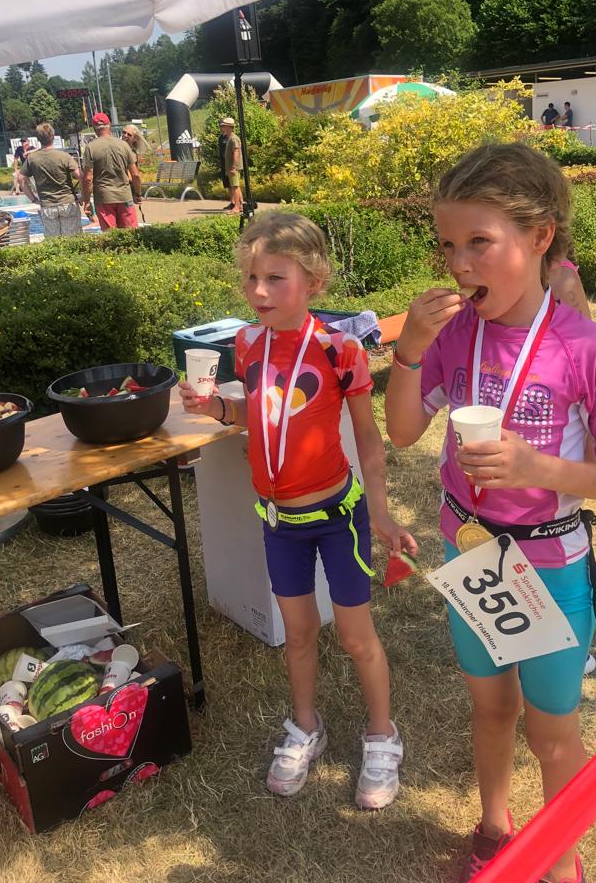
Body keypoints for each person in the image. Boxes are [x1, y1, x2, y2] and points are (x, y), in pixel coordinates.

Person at [384, 143, 596, 883]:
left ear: (539, 237)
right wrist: (408, 351)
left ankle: (561, 862)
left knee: (553, 733)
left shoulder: (590, 349)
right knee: (491, 707)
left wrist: (540, 469)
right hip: (470, 553)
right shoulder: (454, 335)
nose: (459, 264)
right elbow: (401, 432)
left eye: (479, 242)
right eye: (447, 245)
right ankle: (496, 827)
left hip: (550, 566)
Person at [179, 211, 417, 809]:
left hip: (338, 519)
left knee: (357, 638)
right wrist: (216, 410)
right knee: (299, 633)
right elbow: (257, 416)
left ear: (313, 281)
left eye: (274, 278)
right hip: (279, 522)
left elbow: (368, 439)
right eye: (251, 278)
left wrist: (382, 512)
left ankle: (382, 734)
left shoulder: (340, 349)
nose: (258, 291)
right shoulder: (247, 344)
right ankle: (306, 726)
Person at [20, 122, 83, 237]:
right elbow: (81, 176)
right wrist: (83, 196)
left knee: (54, 243)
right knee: (73, 241)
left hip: (47, 206)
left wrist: (34, 199)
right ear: (53, 136)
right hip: (67, 203)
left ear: (38, 139)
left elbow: (21, 179)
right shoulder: (64, 156)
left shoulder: (32, 158)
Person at [81, 113, 140, 230]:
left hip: (104, 198)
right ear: (110, 125)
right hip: (124, 196)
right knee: (131, 235)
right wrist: (138, 194)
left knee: (110, 236)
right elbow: (135, 175)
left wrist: (87, 202)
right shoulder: (124, 145)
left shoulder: (91, 147)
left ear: (94, 128)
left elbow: (88, 179)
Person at [121, 124, 151, 223]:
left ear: (134, 139)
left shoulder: (132, 153)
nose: (125, 135)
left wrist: (136, 193)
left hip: (125, 188)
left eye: (129, 134)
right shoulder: (120, 149)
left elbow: (134, 175)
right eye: (124, 132)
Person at [218, 117, 244, 214]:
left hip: (233, 168)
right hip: (230, 167)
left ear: (229, 127)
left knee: (235, 186)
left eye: (224, 126)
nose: (222, 127)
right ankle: (241, 206)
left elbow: (236, 152)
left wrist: (233, 167)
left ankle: (236, 207)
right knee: (234, 186)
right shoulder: (229, 138)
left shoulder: (233, 138)